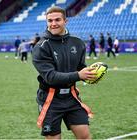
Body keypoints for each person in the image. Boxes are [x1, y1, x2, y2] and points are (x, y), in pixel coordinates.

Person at [32, 6, 97, 139]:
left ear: (65, 21)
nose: (53, 24)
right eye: (50, 21)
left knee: (85, 136)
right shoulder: (41, 46)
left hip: (71, 97)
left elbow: (80, 67)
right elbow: (51, 77)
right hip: (50, 99)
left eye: (57, 20)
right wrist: (79, 75)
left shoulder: (78, 43)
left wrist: (90, 75)